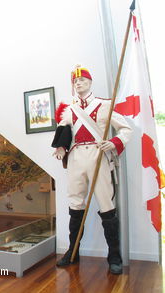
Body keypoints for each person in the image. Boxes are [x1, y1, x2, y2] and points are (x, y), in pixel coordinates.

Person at [51, 66, 132, 275]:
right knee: (75, 204)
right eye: (75, 82)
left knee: (106, 203)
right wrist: (61, 147)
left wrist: (114, 142)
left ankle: (114, 255)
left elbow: (125, 129)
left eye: (83, 80)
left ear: (90, 82)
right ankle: (73, 251)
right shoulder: (70, 110)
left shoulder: (105, 105)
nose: (78, 84)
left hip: (98, 156)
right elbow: (63, 130)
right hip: (77, 158)